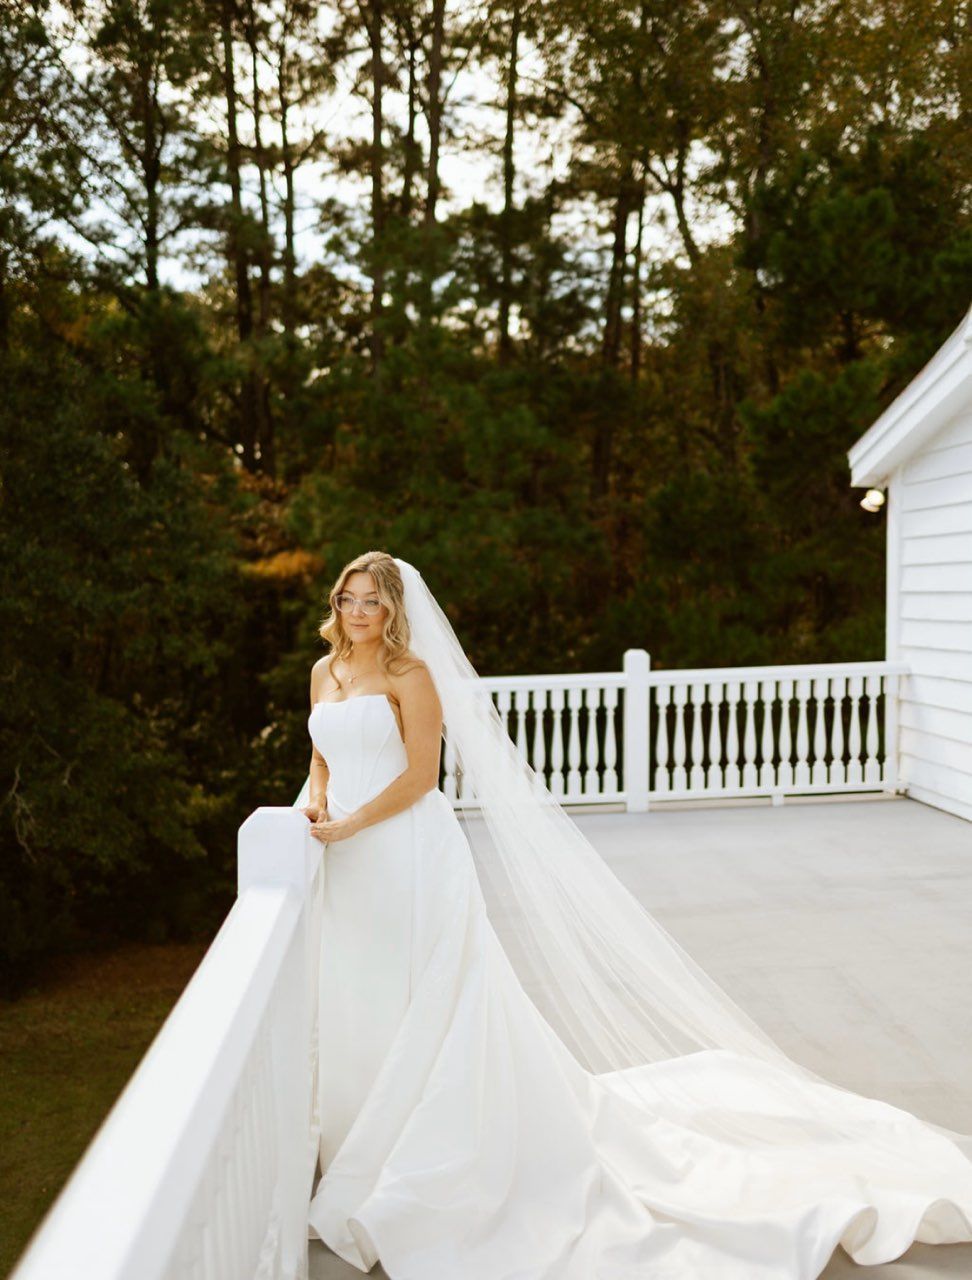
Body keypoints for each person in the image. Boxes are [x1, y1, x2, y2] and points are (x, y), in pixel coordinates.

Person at [302, 550, 972, 1279]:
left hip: (404, 850)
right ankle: (365, 1128)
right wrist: (316, 804)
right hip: (351, 855)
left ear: (394, 610)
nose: (358, 612)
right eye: (348, 598)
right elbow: (323, 758)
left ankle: (426, 1143)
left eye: (372, 601)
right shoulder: (323, 674)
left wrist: (354, 822)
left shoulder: (411, 676)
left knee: (428, 994)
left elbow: (421, 777)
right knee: (365, 991)